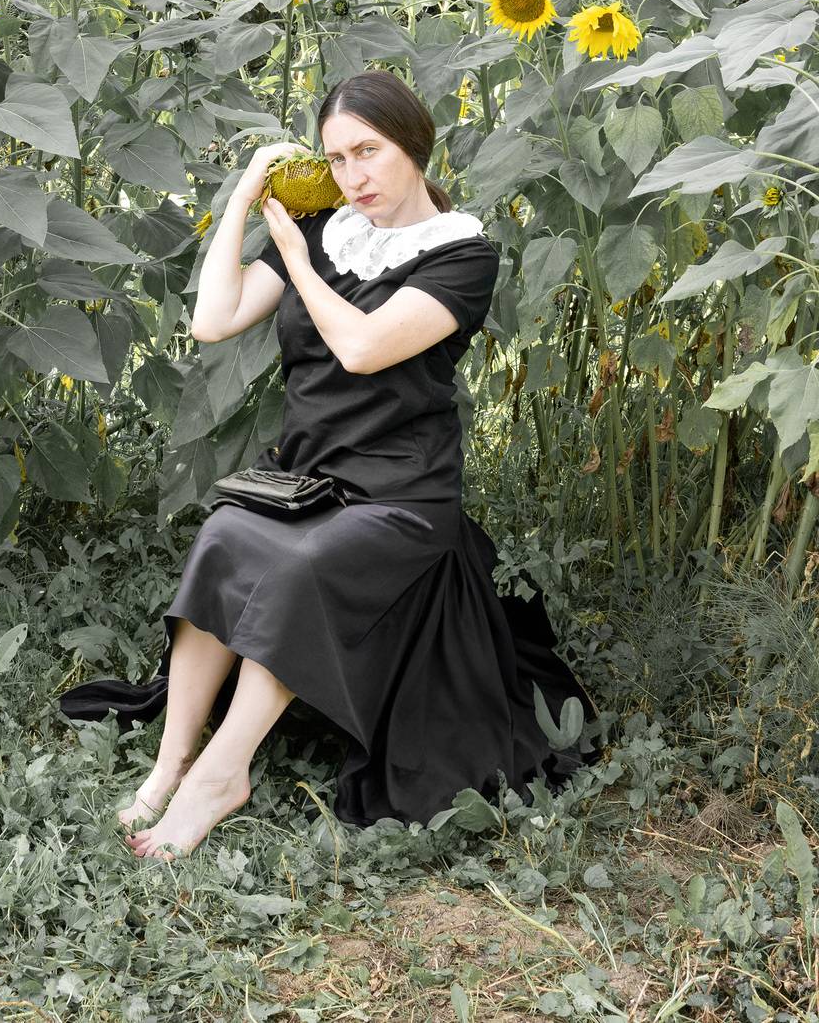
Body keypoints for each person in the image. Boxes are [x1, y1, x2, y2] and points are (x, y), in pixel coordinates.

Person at [59, 69, 602, 862]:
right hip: (308, 474)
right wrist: (244, 198)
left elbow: (363, 348)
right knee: (222, 539)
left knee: (302, 570)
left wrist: (298, 262)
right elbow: (213, 320)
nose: (353, 176)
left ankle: (220, 774)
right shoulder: (326, 230)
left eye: (368, 151)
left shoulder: (461, 256)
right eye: (337, 158)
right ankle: (171, 761)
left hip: (402, 491)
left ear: (413, 144)